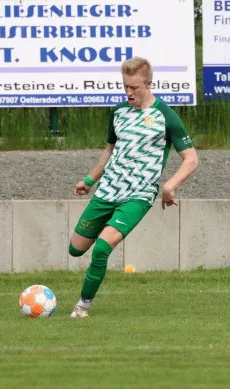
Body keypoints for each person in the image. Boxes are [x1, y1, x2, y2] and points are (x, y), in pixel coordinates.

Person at [68, 56, 199, 318]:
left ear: (150, 84)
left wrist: (169, 186)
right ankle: (101, 232)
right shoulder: (118, 112)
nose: (129, 92)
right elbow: (109, 152)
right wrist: (89, 180)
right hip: (107, 191)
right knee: (75, 249)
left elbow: (192, 158)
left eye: (134, 87)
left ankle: (82, 306)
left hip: (138, 195)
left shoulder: (166, 117)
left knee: (102, 249)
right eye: (125, 86)